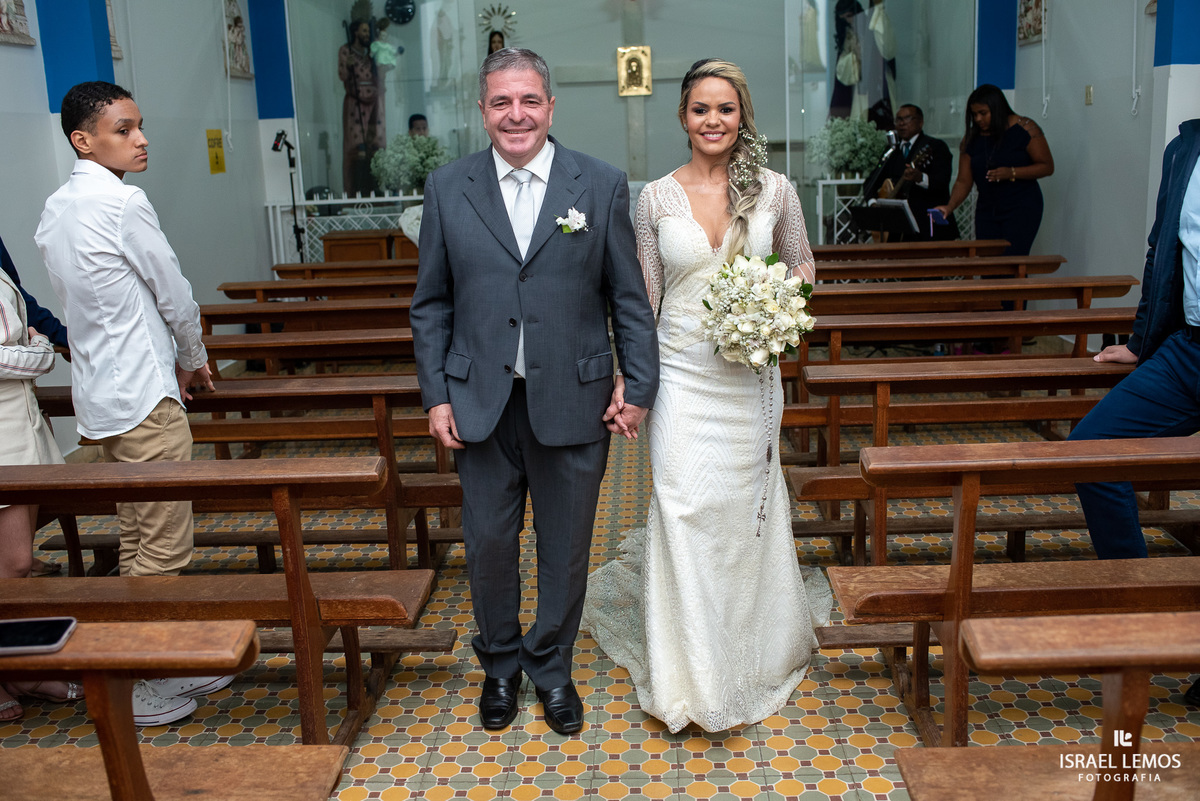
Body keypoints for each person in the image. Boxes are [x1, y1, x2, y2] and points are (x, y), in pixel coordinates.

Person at [410, 48, 659, 736]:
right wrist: (437, 395)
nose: (515, 115)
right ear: (483, 110)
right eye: (500, 102)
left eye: (528, 101)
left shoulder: (600, 183)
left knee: (566, 547)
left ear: (551, 106)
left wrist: (636, 385)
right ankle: (498, 666)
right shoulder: (447, 186)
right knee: (488, 544)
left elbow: (628, 298)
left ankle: (550, 666)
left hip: (573, 400)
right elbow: (431, 303)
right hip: (478, 403)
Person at [581, 58, 831, 733]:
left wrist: (782, 304)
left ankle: (746, 643)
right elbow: (645, 294)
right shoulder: (655, 198)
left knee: (738, 507)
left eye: (725, 109)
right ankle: (687, 669)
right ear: (683, 118)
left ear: (742, 114)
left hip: (747, 374)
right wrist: (629, 373)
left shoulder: (774, 189)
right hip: (681, 372)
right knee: (685, 505)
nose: (713, 121)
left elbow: (804, 259)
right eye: (700, 109)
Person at [35, 81, 230, 727]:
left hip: (102, 397)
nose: (141, 138)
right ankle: (138, 676)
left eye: (140, 125)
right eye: (123, 129)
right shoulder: (123, 203)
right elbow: (172, 291)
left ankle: (163, 657)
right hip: (146, 397)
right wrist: (196, 354)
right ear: (83, 140)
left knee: (136, 532)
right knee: (163, 545)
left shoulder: (56, 208)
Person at [1067, 118, 1200, 708]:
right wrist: (1143, 341)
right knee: (1094, 448)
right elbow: (1162, 248)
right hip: (1189, 349)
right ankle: (1141, 612)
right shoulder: (1185, 148)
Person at [0, 267, 82, 722]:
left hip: (19, 422)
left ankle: (21, 668)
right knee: (11, 564)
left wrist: (30, 346)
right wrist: (41, 350)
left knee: (19, 566)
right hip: (1, 427)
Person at [934, 83, 1054, 256]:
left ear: (997, 109)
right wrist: (950, 206)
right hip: (987, 209)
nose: (978, 119)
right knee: (988, 263)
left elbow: (1047, 166)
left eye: (983, 113)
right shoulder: (970, 139)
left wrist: (1012, 172)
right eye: (974, 114)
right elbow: (963, 180)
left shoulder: (1025, 128)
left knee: (1012, 262)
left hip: (1021, 207)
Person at [869, 104, 957, 241]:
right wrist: (874, 204)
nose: (902, 123)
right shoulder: (892, 150)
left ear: (920, 122)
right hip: (897, 230)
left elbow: (942, 181)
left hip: (928, 228)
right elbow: (871, 182)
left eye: (907, 118)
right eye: (898, 120)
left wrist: (921, 178)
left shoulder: (936, 147)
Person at [339, 19, 385, 196]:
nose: (367, 35)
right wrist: (349, 65)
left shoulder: (370, 54)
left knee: (374, 147)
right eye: (364, 31)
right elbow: (342, 75)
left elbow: (377, 78)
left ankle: (374, 188)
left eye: (368, 31)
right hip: (355, 104)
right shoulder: (346, 51)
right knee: (356, 148)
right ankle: (354, 191)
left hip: (372, 104)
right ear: (356, 32)